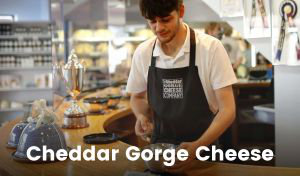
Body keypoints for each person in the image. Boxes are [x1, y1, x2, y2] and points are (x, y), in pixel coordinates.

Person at [126, 0, 237, 172]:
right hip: (160, 153)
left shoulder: (211, 49)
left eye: (165, 19)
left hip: (204, 153)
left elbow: (227, 110)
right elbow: (137, 97)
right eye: (152, 21)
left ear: (181, 11)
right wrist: (141, 115)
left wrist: (198, 146)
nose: (158, 28)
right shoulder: (143, 53)